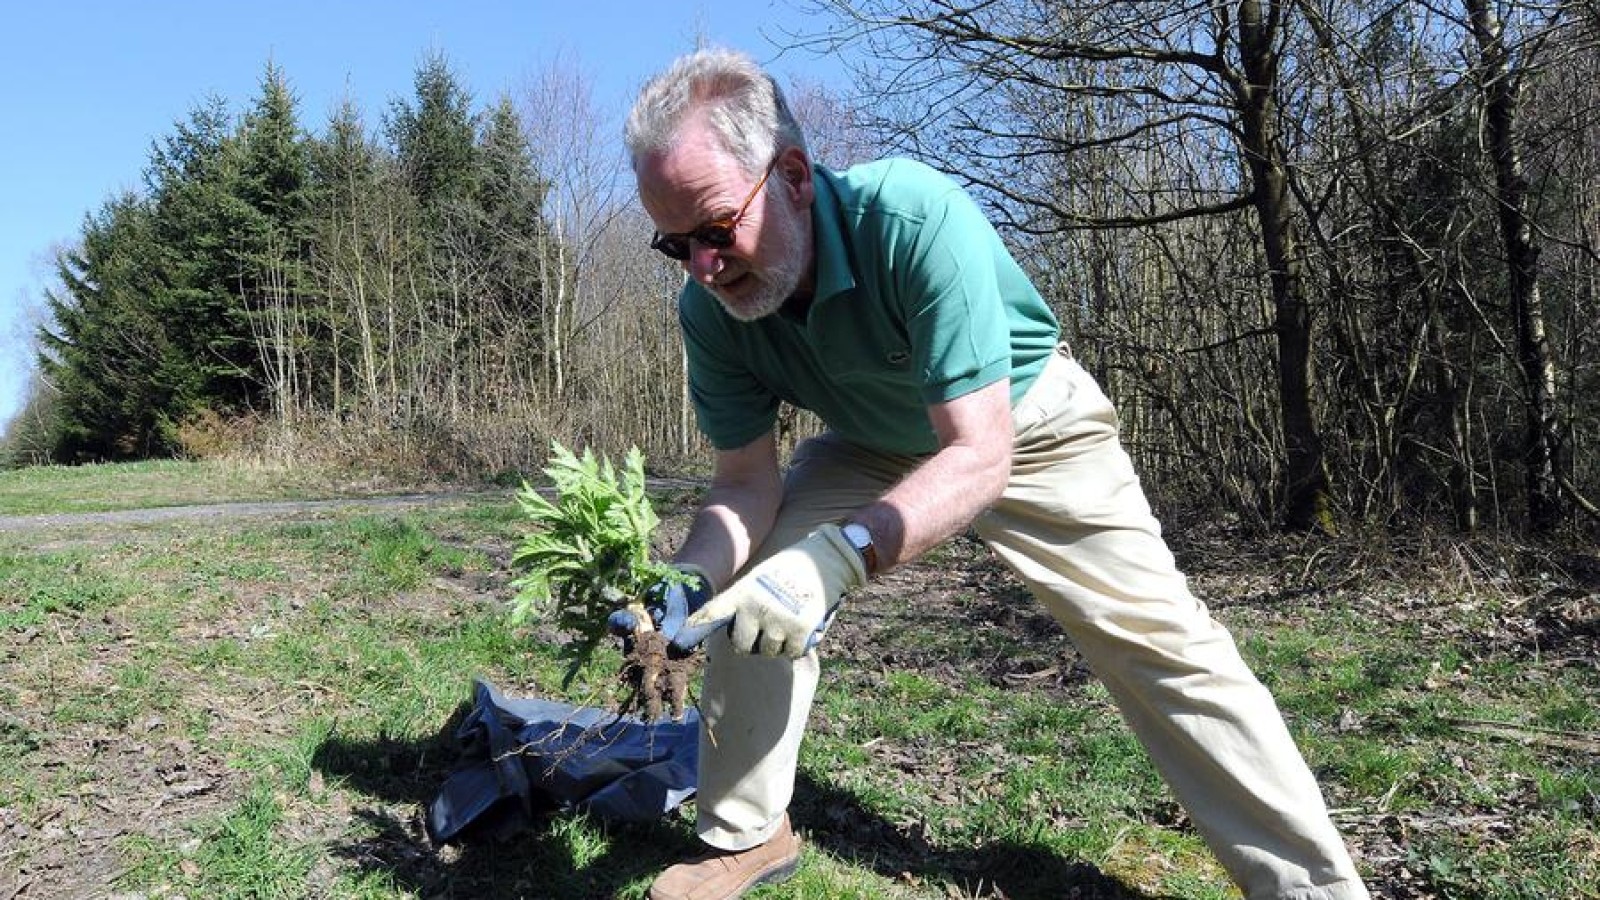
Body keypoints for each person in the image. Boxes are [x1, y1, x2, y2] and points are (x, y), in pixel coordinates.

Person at [619, 47, 1371, 900]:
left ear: (793, 173)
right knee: (745, 596)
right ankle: (745, 835)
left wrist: (839, 555)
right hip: (871, 441)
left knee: (1165, 646)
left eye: (716, 230)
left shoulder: (914, 220)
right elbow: (745, 486)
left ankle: (1312, 888)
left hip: (1025, 424)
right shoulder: (710, 312)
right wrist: (689, 577)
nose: (703, 268)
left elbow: (979, 453)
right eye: (674, 244)